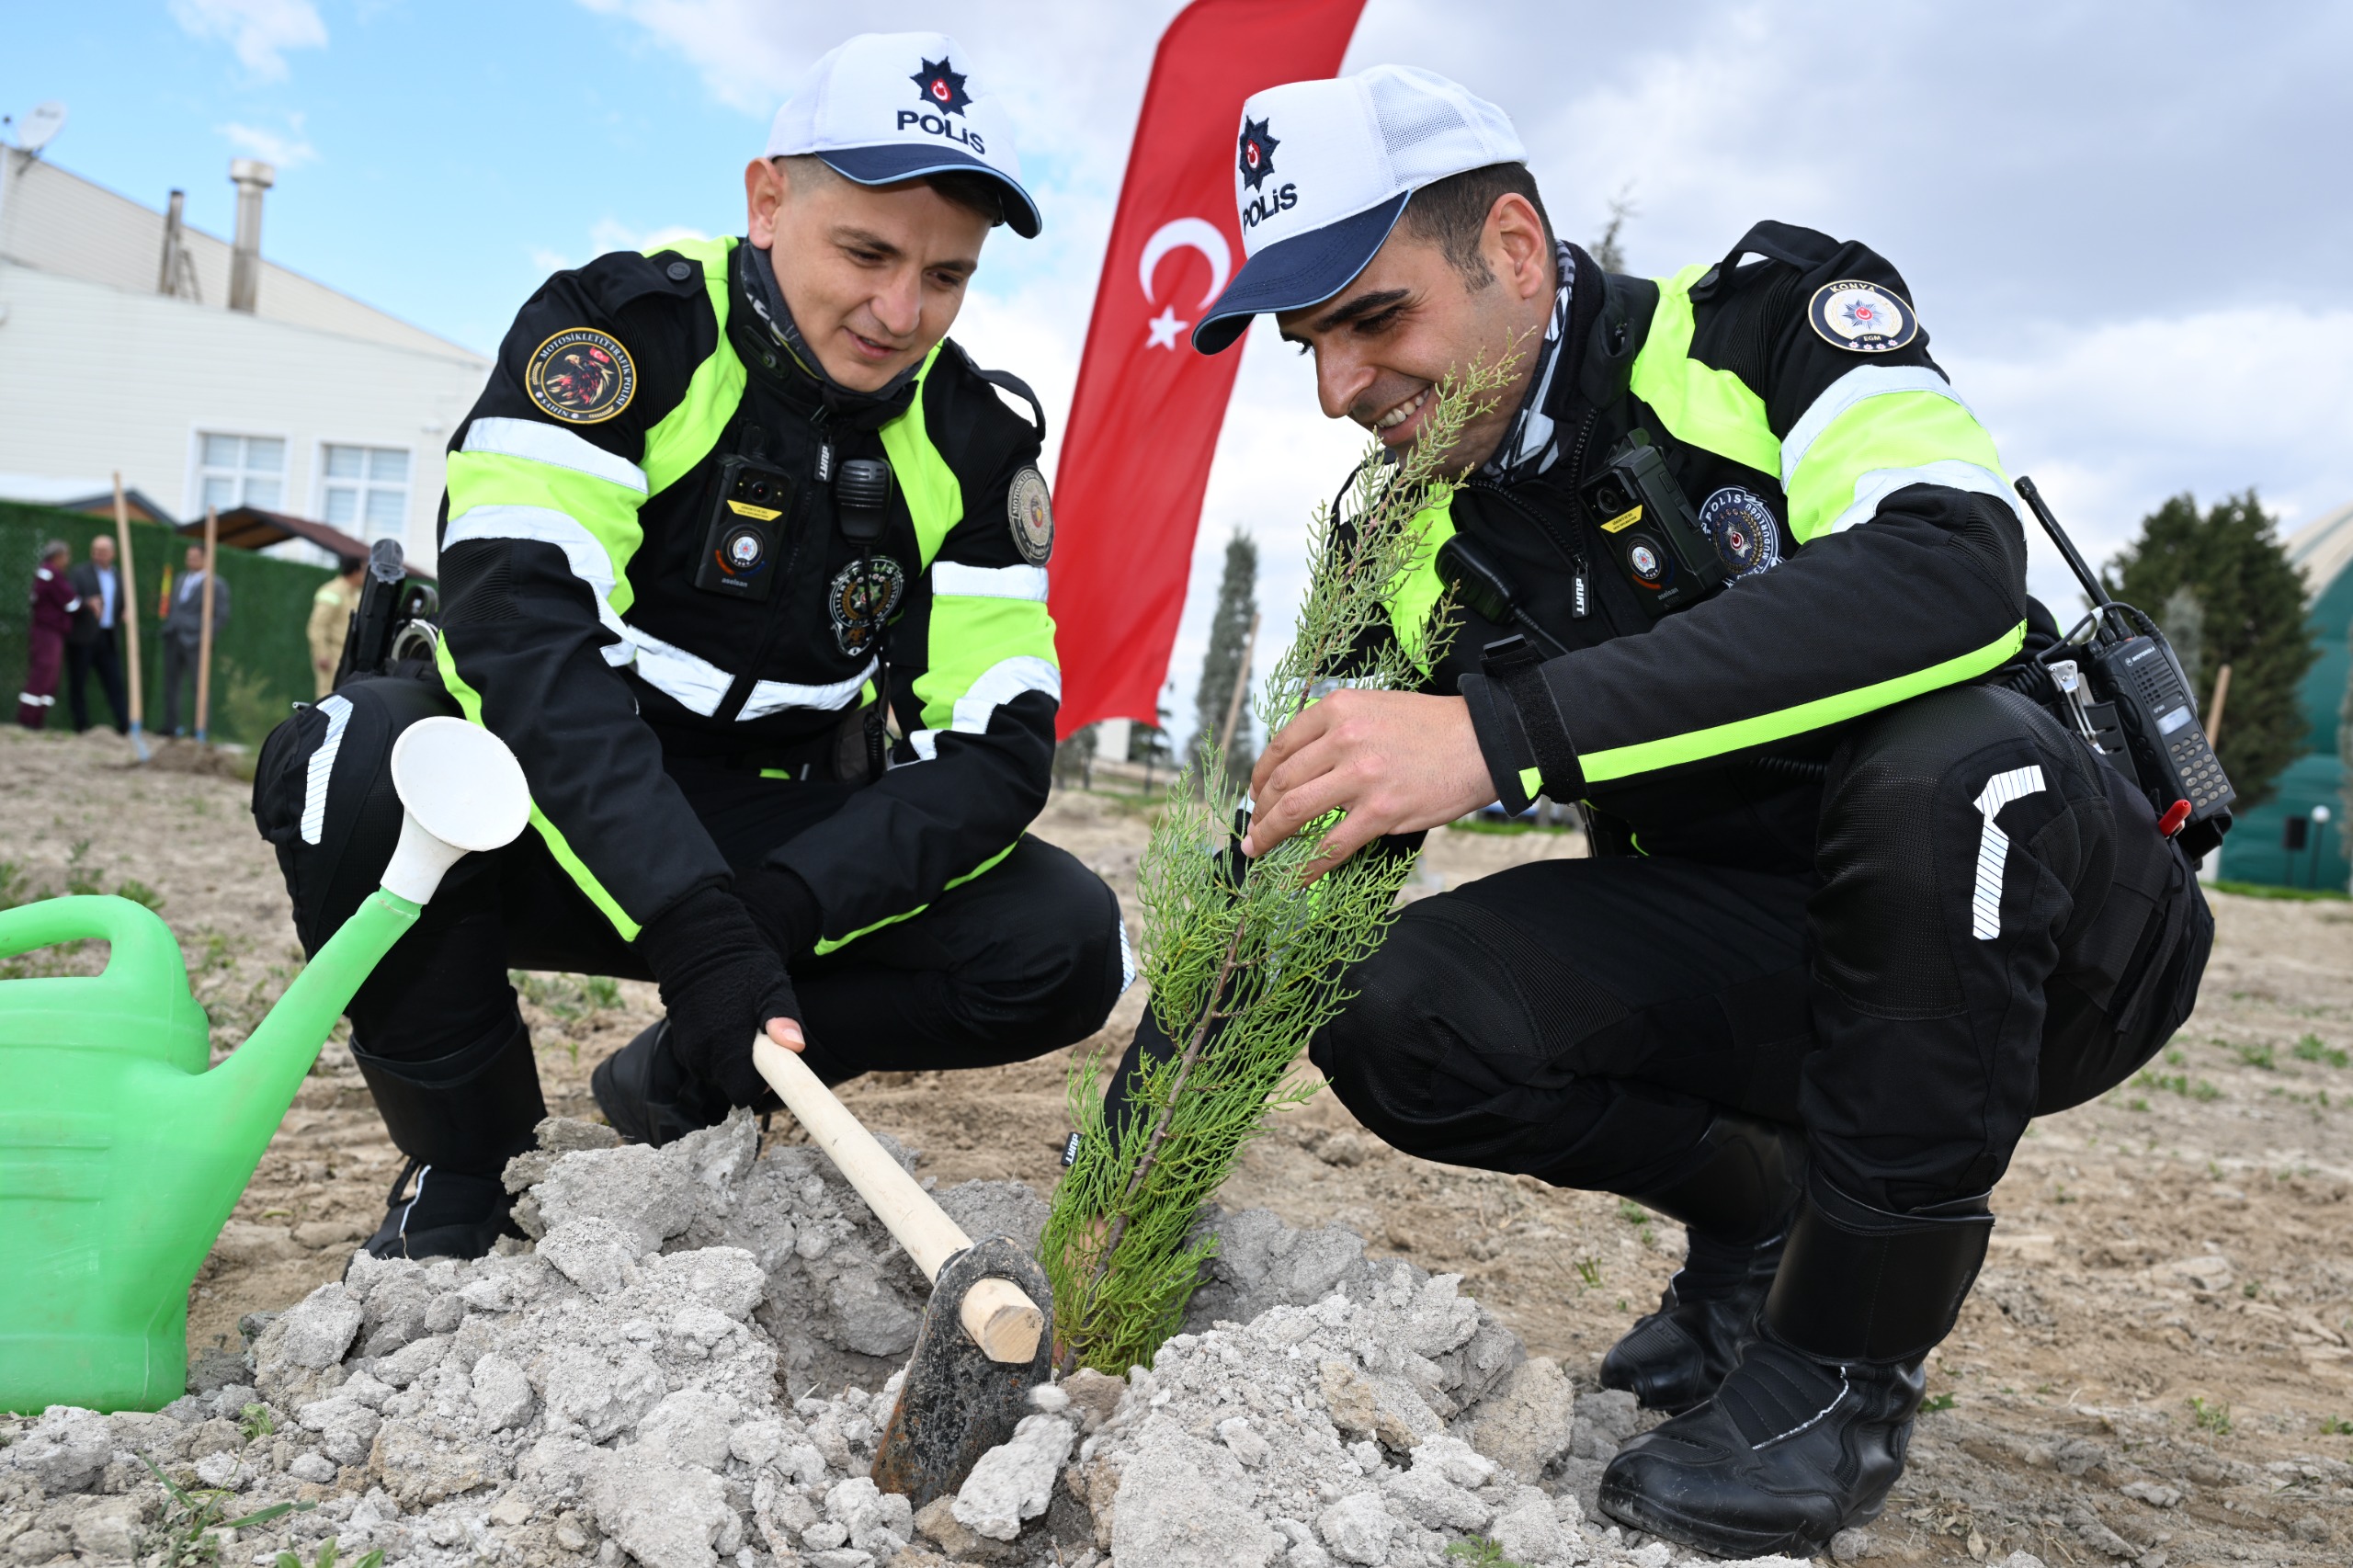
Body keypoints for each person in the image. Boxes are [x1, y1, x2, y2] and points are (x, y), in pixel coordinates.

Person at [1101, 66, 2212, 1558]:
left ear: (1512, 247)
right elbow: (1293, 870)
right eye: (1310, 344)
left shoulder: (1765, 324)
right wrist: (1120, 1192)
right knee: (1390, 1007)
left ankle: (1836, 1377)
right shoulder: (1415, 535)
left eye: (1373, 318)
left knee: (1941, 761)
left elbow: (1949, 570)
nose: (1338, 388)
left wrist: (1501, 735)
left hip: (2055, 939)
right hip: (1784, 964)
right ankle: (1763, 1220)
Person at [251, 32, 1127, 1263]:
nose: (901, 313)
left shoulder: (978, 446)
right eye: (867, 254)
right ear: (767, 201)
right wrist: (691, 919)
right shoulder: (619, 333)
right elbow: (522, 634)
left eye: (946, 276)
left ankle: (680, 1084)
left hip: (769, 833)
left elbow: (1000, 748)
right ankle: (468, 1165)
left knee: (1064, 937)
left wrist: (778, 907)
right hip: (535, 811)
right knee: (354, 760)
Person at [159, 542, 230, 736]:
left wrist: (204, 636)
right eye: (188, 557)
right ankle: (170, 726)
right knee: (171, 684)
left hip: (196, 641)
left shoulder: (216, 584)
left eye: (195, 557)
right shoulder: (180, 578)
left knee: (199, 685)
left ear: (206, 559)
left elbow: (221, 616)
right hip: (174, 636)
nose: (190, 561)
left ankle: (200, 728)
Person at [66, 534, 131, 734]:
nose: (98, 555)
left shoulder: (120, 576)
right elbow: (70, 599)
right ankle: (81, 725)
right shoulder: (79, 573)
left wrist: (125, 610)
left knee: (114, 682)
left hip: (108, 636)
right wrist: (87, 603)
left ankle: (125, 725)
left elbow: (123, 601)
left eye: (102, 551)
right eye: (95, 551)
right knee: (78, 682)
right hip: (83, 637)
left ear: (113, 553)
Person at [15, 540, 78, 729]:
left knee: (50, 677)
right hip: (47, 632)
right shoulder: (51, 574)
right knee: (43, 673)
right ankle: (27, 719)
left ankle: (37, 719)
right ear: (58, 556)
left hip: (52, 632)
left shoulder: (48, 573)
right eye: (66, 556)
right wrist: (85, 603)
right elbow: (71, 603)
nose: (67, 560)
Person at [308, 555, 364, 698]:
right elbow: (317, 625)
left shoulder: (356, 594)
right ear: (355, 572)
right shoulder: (332, 591)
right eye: (364, 571)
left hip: (348, 655)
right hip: (332, 655)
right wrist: (322, 654)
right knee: (327, 697)